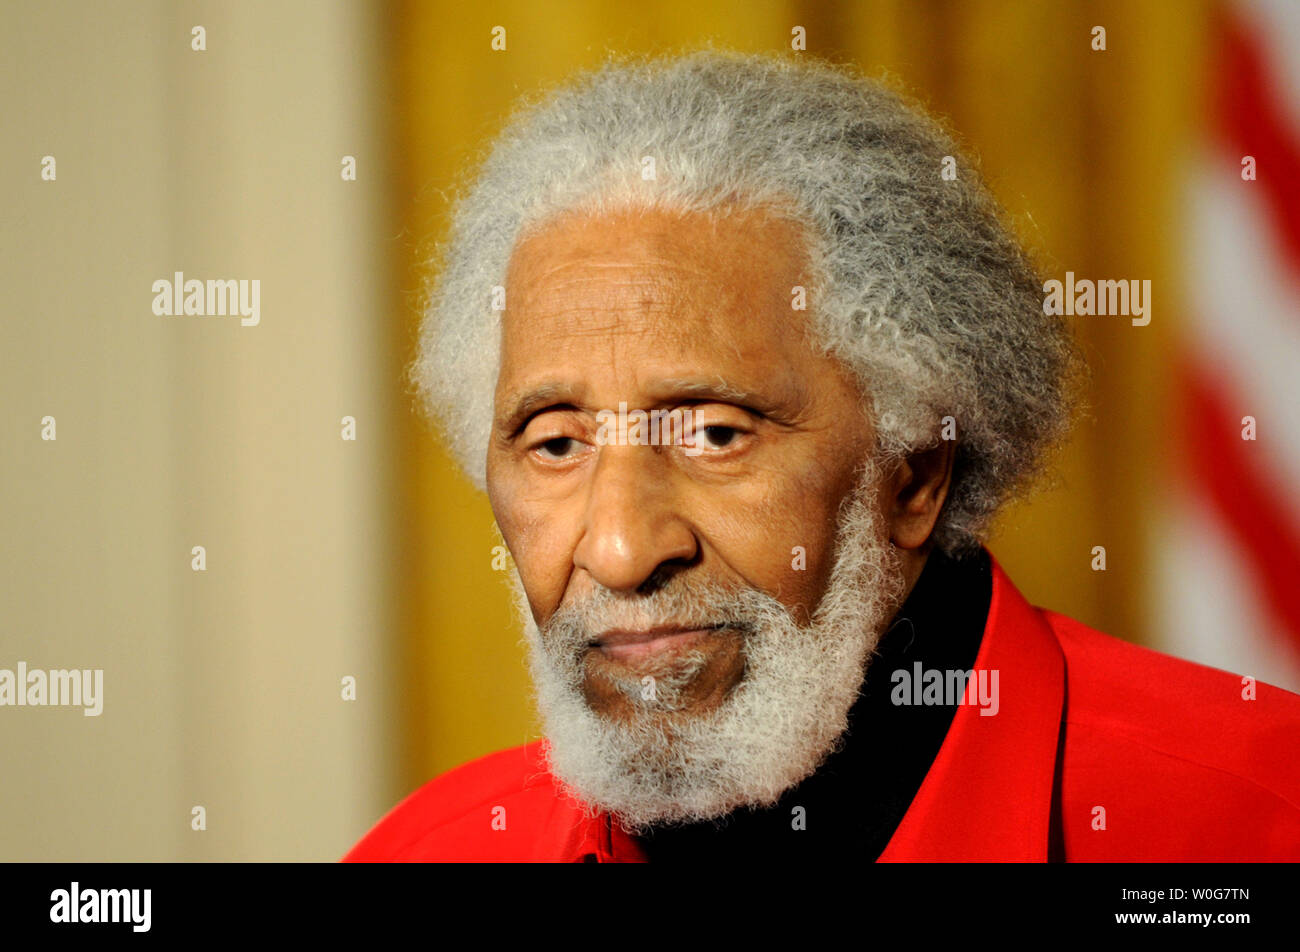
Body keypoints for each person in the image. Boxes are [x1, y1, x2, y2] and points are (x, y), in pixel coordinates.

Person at [346, 51, 1300, 862]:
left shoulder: (1256, 817)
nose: (622, 549)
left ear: (916, 472)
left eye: (716, 433)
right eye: (556, 443)